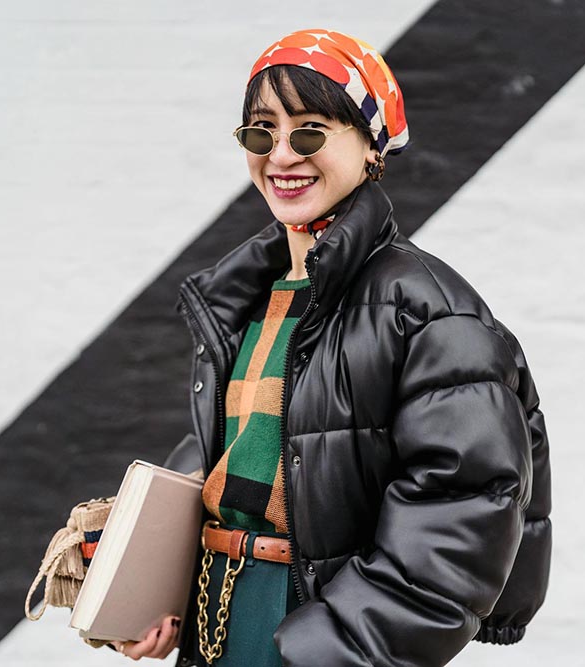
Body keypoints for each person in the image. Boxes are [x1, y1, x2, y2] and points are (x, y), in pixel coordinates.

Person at [113, 29, 551, 666]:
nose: (281, 156)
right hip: (217, 615)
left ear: (372, 146)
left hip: (312, 626)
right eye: (261, 133)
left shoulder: (428, 310)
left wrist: (332, 651)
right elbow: (234, 465)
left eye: (310, 132)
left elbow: (460, 518)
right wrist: (152, 592)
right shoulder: (247, 298)